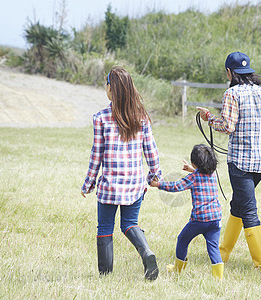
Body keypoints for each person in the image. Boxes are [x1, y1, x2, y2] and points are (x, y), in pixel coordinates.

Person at [197, 51, 261, 270]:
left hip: (240, 164)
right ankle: (223, 253)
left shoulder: (232, 94)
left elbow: (227, 127)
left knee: (248, 209)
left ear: (230, 72)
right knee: (238, 204)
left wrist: (209, 118)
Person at [81, 67, 161, 280]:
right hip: (135, 185)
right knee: (130, 224)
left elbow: (96, 155)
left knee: (105, 227)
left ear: (111, 88)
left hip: (109, 186)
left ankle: (105, 276)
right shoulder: (141, 116)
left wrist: (88, 183)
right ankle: (146, 252)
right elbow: (151, 150)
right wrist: (155, 175)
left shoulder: (101, 118)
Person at [150, 144, 224, 279]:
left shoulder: (193, 178)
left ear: (194, 162)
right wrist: (192, 170)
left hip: (199, 220)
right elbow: (201, 176)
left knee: (183, 239)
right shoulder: (212, 174)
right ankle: (218, 277)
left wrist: (158, 184)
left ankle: (177, 269)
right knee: (213, 248)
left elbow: (176, 186)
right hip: (215, 219)